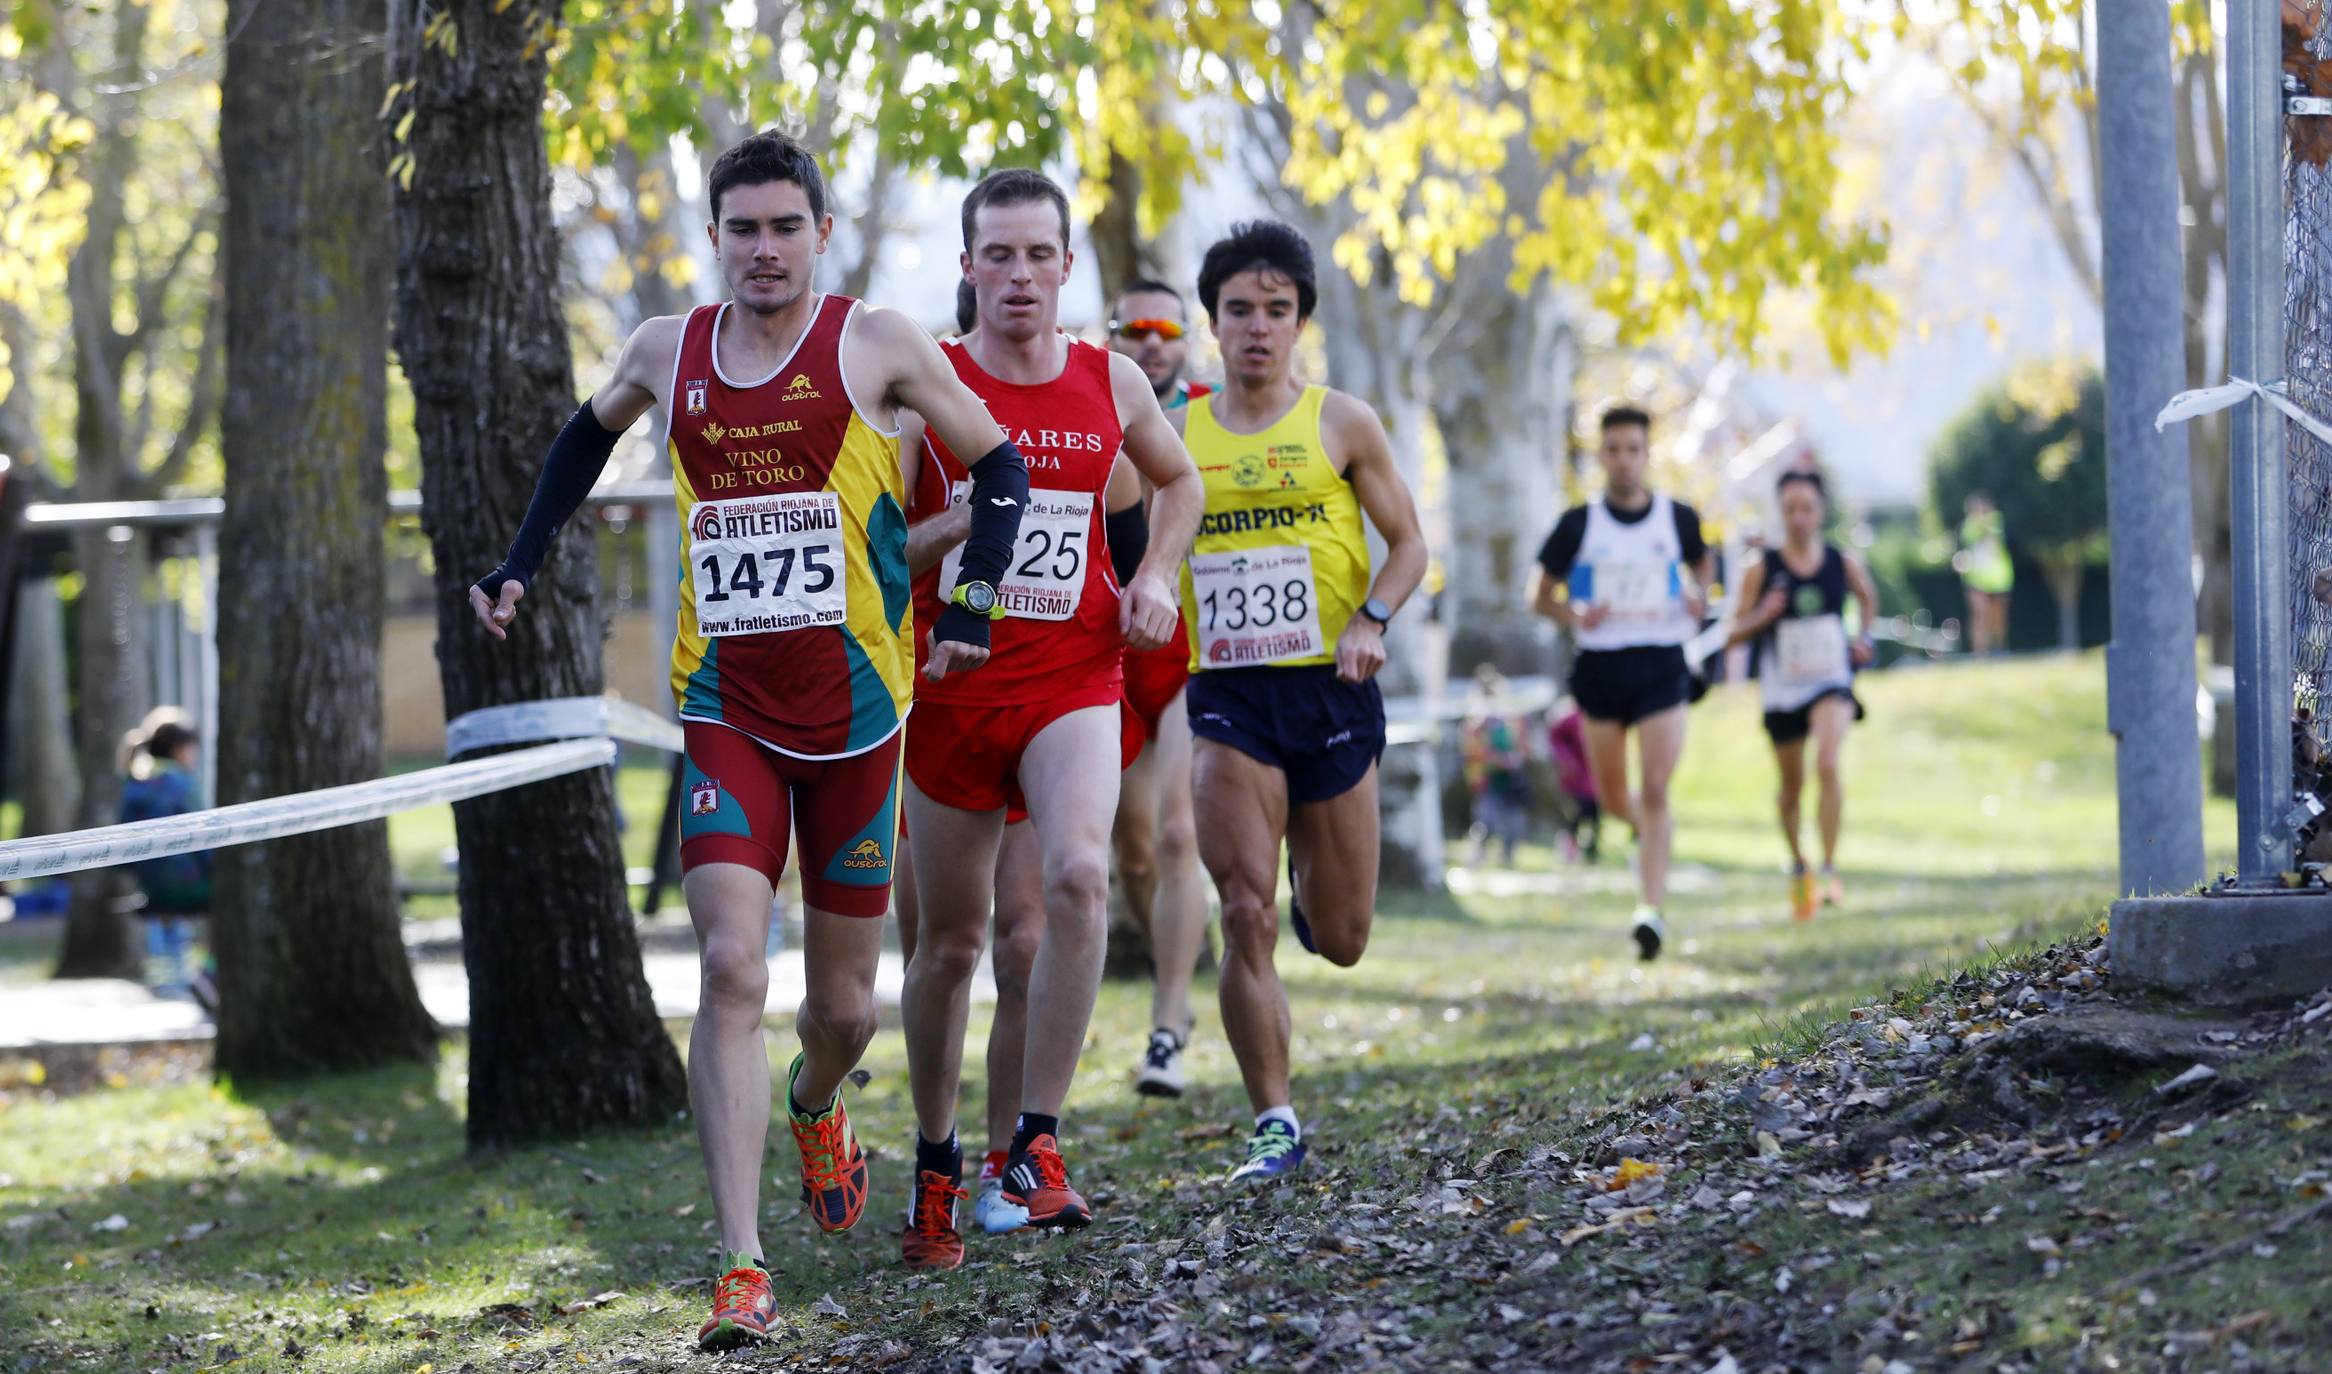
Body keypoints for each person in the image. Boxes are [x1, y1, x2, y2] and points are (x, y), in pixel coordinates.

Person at [468, 130, 1030, 1352]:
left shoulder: (877, 343)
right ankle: (740, 1270)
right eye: (742, 228)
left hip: (860, 719)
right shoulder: (666, 352)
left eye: (785, 227)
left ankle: (818, 1103)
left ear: (821, 234)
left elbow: (1004, 469)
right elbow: (580, 440)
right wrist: (517, 564)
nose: (763, 249)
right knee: (729, 968)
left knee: (842, 1013)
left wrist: (975, 607)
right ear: (713, 236)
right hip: (723, 706)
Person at [895, 169, 1202, 1267]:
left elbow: (1180, 485)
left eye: (1040, 256)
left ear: (1069, 267)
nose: (1020, 276)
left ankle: (1030, 1148)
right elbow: (880, 545)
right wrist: (959, 524)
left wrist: (1157, 575)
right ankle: (935, 1160)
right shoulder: (924, 385)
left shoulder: (1110, 379)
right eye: (999, 255)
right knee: (950, 944)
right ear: (968, 266)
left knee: (1078, 879)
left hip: (1074, 676)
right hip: (950, 687)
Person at [1173, 220, 1427, 1184]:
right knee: (1243, 912)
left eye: (1277, 311)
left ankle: (1313, 902)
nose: (1257, 329)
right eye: (1239, 310)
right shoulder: (1180, 432)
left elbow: (1408, 544)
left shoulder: (1341, 422)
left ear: (1301, 323)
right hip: (1231, 693)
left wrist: (1372, 618)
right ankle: (1273, 1121)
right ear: (1215, 324)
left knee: (1345, 937)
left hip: (1335, 687)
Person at [1529, 405, 1715, 961]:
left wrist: (1696, 596)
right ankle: (1654, 838)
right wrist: (1573, 616)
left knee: (1655, 788)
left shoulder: (1677, 518)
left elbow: (1703, 568)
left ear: (1647, 454)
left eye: (1634, 448)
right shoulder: (1578, 524)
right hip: (1602, 669)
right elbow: (1539, 595)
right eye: (1613, 449)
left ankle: (1650, 909)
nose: (1624, 459)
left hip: (1661, 663)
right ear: (1601, 456)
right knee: (1613, 800)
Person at [1106, 278, 1213, 1098]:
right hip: (1111, 659)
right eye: (1134, 327)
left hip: (1191, 653)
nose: (1150, 340)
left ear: (1185, 337)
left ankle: (1168, 1024)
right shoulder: (1085, 404)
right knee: (1133, 851)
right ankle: (1175, 943)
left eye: (1165, 327)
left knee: (1180, 835)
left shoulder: (1216, 413)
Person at [1729, 470, 1877, 917]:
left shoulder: (1841, 562)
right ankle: (1799, 865)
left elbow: (1867, 600)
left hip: (1831, 678)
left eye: (1806, 508)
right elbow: (1733, 633)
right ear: (1781, 512)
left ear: (1820, 511)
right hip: (1783, 690)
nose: (1798, 517)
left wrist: (1862, 638)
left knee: (1828, 763)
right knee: (1791, 789)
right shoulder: (1761, 569)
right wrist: (1764, 615)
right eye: (1790, 508)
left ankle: (1830, 867)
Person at [117, 710, 213, 1001]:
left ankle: (163, 978)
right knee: (227, 897)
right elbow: (202, 838)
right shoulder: (182, 784)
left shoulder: (135, 782)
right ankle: (208, 971)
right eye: (192, 749)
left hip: (150, 885)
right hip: (187, 882)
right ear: (177, 749)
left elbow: (123, 837)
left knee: (163, 911)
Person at [1460, 666, 1530, 868]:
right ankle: (1477, 857)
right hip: (1488, 781)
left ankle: (1508, 858)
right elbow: (1473, 753)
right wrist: (1498, 760)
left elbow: (1523, 748)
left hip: (1512, 781)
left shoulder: (1514, 720)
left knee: (1514, 823)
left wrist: (1515, 759)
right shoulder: (1475, 724)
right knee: (1485, 822)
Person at [1546, 695, 1601, 864]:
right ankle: (1570, 844)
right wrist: (1565, 760)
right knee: (1579, 812)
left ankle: (1592, 851)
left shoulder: (1597, 714)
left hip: (1594, 774)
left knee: (1596, 814)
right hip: (1576, 776)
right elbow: (1556, 741)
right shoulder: (1567, 717)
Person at [1957, 490, 2012, 656]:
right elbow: (1964, 546)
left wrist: (1987, 526)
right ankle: (1980, 653)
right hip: (1975, 579)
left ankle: (2000, 648)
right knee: (1980, 614)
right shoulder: (1967, 527)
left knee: (1998, 618)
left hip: (1999, 579)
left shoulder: (1997, 523)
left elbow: (2001, 541)